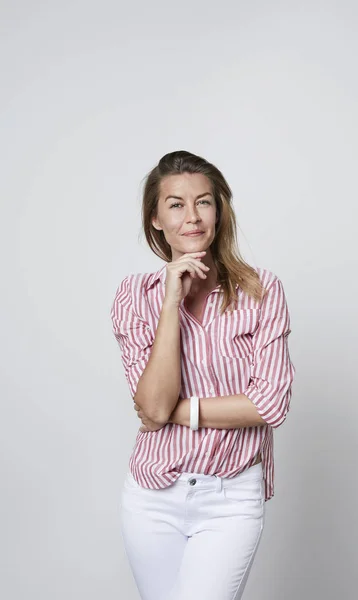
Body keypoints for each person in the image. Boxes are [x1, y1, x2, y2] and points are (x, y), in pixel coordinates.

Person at [110, 150, 296, 600]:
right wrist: (171, 301)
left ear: (219, 210)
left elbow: (269, 404)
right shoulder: (135, 297)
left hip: (230, 496)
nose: (192, 217)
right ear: (155, 219)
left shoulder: (262, 290)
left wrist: (175, 411)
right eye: (175, 204)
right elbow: (152, 406)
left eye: (204, 202)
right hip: (153, 495)